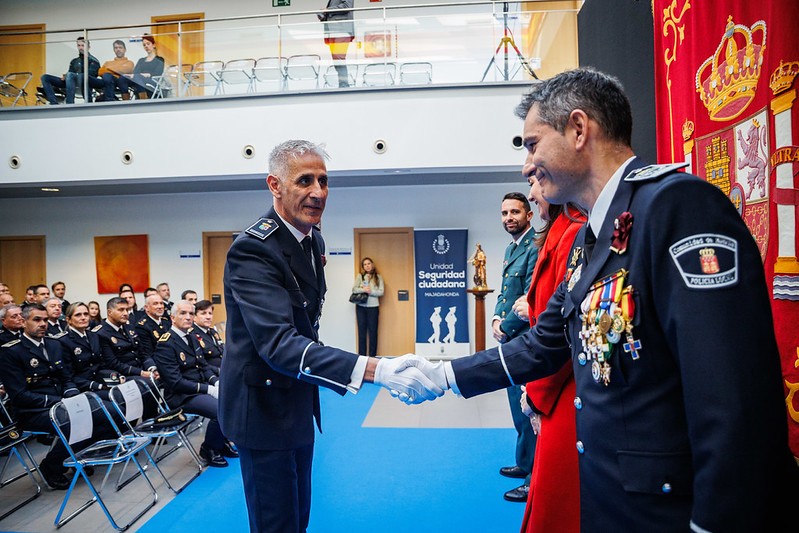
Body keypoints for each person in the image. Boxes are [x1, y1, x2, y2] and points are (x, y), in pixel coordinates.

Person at [392, 68, 798, 531]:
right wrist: (442, 374)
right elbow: (546, 343)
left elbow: (733, 395)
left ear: (579, 129)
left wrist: (715, 522)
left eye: (532, 144)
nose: (527, 166)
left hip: (671, 510)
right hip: (613, 501)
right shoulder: (593, 234)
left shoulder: (677, 207)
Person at [219, 139, 442, 533]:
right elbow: (278, 344)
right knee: (277, 524)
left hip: (297, 399)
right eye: (304, 181)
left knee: (297, 517)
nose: (318, 192)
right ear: (275, 185)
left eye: (323, 181)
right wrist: (375, 369)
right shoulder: (253, 250)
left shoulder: (311, 239)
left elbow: (307, 325)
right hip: (263, 408)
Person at [513, 176, 585, 533]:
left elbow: (563, 334)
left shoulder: (573, 233)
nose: (531, 192)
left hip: (561, 386)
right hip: (547, 376)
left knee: (556, 509)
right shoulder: (557, 231)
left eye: (537, 179)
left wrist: (537, 393)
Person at [0, 305, 82, 489]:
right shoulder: (11, 352)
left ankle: (74, 456)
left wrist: (72, 393)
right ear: (23, 322)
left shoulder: (54, 344)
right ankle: (50, 467)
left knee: (104, 413)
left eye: (45, 320)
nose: (43, 324)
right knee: (77, 421)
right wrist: (59, 401)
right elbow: (20, 395)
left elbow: (66, 377)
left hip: (61, 404)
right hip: (33, 411)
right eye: (37, 320)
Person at [492, 192, 538, 503]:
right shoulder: (513, 248)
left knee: (528, 407)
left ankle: (534, 478)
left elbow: (529, 295)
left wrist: (505, 327)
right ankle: (524, 463)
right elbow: (506, 291)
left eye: (515, 212)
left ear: (529, 215)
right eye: (505, 212)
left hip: (524, 337)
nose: (509, 217)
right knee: (515, 407)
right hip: (510, 338)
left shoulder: (534, 245)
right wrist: (496, 317)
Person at [154, 300, 235, 467]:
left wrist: (215, 382)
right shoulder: (166, 344)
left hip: (197, 390)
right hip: (181, 396)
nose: (188, 317)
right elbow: (175, 382)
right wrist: (208, 389)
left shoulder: (192, 337)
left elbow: (203, 366)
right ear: (172, 317)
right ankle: (209, 449)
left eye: (191, 313)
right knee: (220, 409)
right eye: (183, 313)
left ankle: (222, 442)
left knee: (231, 401)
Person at [58, 302, 114, 400]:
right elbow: (68, 376)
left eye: (86, 314)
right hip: (81, 387)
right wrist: (96, 385)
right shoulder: (63, 341)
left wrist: (113, 377)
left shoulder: (93, 336)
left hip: (99, 380)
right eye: (78, 315)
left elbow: (100, 364)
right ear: (68, 320)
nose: (83, 317)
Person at [96, 296, 159, 383]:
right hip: (122, 375)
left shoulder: (129, 327)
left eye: (127, 310)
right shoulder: (101, 333)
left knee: (165, 375)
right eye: (121, 310)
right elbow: (113, 363)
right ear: (109, 312)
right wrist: (142, 373)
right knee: (151, 383)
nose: (126, 313)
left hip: (141, 369)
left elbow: (142, 352)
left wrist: (152, 368)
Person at [40, 36, 102, 105]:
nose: (80, 48)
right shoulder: (74, 61)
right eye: (78, 45)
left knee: (71, 75)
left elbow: (90, 76)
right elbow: (71, 72)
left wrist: (72, 75)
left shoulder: (93, 60)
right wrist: (66, 76)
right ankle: (53, 103)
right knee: (45, 77)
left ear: (88, 47)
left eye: (82, 45)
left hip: (84, 83)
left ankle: (70, 103)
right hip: (70, 82)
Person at [351, 257, 384, 356]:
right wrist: (363, 290)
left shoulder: (378, 277)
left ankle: (372, 356)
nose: (367, 266)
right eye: (365, 264)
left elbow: (381, 292)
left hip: (373, 307)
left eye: (368, 263)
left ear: (372, 264)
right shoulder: (360, 276)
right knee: (362, 332)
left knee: (373, 332)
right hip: (361, 307)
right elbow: (354, 289)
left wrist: (371, 292)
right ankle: (362, 357)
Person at [318, 0, 355, 87]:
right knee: (336, 58)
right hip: (334, 30)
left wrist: (328, 10)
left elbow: (347, 6)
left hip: (341, 28)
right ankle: (343, 84)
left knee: (339, 58)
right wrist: (324, 16)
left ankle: (344, 85)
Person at [116, 34, 164, 99]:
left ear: (153, 45)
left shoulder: (159, 59)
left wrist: (147, 74)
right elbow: (135, 72)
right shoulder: (141, 60)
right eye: (144, 45)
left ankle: (143, 99)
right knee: (122, 78)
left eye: (148, 44)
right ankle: (126, 101)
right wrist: (137, 75)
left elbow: (158, 73)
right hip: (139, 80)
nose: (146, 46)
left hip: (152, 81)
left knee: (138, 77)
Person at [135, 293, 170, 359]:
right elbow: (149, 353)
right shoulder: (142, 326)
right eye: (155, 304)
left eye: (161, 303)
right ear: (146, 308)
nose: (160, 307)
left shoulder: (166, 321)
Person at [192, 299, 224, 370]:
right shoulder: (192, 334)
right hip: (210, 374)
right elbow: (200, 363)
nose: (208, 317)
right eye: (203, 313)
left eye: (210, 313)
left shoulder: (213, 332)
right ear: (194, 317)